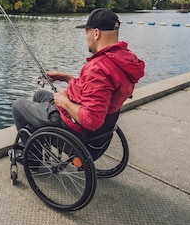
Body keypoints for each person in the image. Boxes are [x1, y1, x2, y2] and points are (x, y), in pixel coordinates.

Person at [12, 8, 145, 141]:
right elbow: (96, 89)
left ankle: (31, 158)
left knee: (18, 106)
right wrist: (65, 77)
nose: (85, 37)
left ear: (96, 33)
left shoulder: (99, 68)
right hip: (97, 132)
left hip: (72, 126)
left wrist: (65, 102)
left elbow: (91, 120)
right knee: (39, 95)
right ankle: (39, 143)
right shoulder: (124, 59)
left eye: (87, 32)